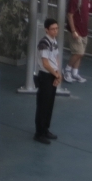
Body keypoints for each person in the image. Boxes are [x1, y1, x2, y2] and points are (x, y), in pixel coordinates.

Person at [34, 17, 61, 145]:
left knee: (49, 104)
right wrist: (55, 73)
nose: (55, 31)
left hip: (52, 74)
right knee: (43, 105)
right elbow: (45, 63)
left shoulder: (54, 41)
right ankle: (39, 132)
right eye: (53, 29)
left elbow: (56, 59)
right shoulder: (44, 43)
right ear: (46, 30)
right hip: (45, 75)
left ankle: (45, 129)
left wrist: (58, 74)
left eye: (57, 28)